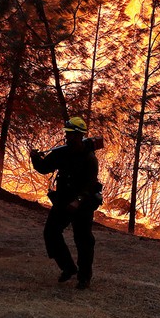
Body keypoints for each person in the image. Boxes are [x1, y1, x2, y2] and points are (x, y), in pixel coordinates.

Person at [30, 116, 102, 290]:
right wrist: (35, 157)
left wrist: (77, 201)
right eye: (67, 133)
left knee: (83, 240)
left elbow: (89, 184)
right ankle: (68, 267)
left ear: (79, 135)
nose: (67, 137)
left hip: (83, 203)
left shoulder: (89, 158)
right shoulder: (62, 152)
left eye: (70, 134)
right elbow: (44, 167)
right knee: (51, 233)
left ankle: (84, 278)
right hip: (63, 200)